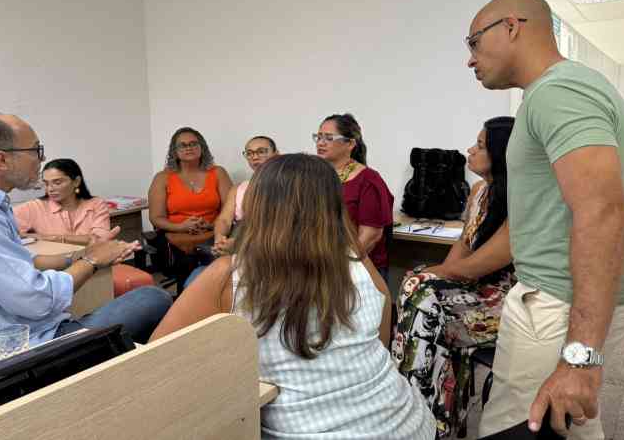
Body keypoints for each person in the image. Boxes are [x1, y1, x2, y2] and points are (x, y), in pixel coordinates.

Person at [466, 0, 624, 439]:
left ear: (511, 27)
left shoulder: (558, 91)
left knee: (514, 425)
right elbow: (536, 216)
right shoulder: (554, 93)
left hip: (557, 301)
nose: (470, 59)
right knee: (567, 422)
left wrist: (580, 356)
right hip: (562, 293)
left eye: (473, 42)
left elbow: (603, 211)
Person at [149, 153, 436, 439]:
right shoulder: (357, 260)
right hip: (409, 424)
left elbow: (151, 362)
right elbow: (381, 338)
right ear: (333, 206)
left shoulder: (228, 276)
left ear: (256, 204)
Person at [0, 112, 172, 380]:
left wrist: (81, 255)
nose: (41, 161)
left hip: (5, 337)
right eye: (36, 150)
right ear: (1, 160)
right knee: (153, 298)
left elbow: (18, 265)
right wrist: (91, 262)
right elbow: (37, 301)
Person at [393, 116, 516, 438]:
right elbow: (462, 247)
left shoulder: (521, 198)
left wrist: (432, 276)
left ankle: (409, 396)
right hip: (471, 291)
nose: (469, 151)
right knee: (420, 288)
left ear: (502, 153)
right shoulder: (478, 191)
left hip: (503, 303)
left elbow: (481, 265)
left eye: (479, 145)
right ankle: (433, 414)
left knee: (421, 293)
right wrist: (432, 274)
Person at [14, 158, 155, 297]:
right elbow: (3, 227)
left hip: (96, 265)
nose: (50, 189)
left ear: (76, 181)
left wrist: (48, 237)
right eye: (46, 183)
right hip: (58, 270)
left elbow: (96, 240)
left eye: (57, 182)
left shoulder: (96, 204)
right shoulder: (34, 206)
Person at [148, 127, 232, 288]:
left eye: (194, 143)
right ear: (175, 151)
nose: (189, 147)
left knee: (217, 272)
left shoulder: (218, 172)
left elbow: (229, 209)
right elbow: (156, 218)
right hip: (176, 236)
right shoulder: (163, 177)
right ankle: (186, 302)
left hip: (213, 233)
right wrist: (181, 226)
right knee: (188, 274)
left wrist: (212, 225)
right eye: (183, 145)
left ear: (202, 147)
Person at [315, 113, 394, 282]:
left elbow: (370, 236)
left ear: (350, 143)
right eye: (318, 137)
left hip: (356, 268)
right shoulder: (314, 176)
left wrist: (337, 266)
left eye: (329, 138)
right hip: (319, 264)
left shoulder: (369, 180)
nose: (320, 143)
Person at [212, 135, 278, 255]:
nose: (255, 157)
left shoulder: (287, 185)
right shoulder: (239, 188)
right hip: (235, 239)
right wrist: (219, 238)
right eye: (249, 153)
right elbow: (224, 220)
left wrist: (239, 243)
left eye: (261, 152)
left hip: (265, 246)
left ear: (276, 154)